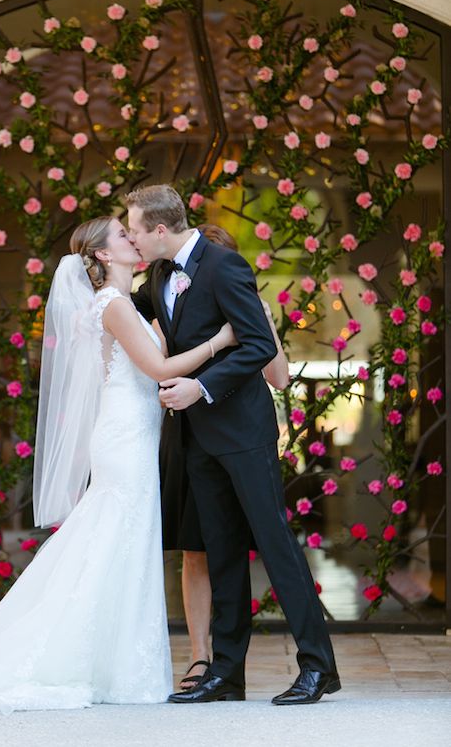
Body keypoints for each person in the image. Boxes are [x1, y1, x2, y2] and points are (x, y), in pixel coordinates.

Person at [0, 216, 237, 714]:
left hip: (136, 436)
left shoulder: (128, 305)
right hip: (122, 440)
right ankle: (90, 662)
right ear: (101, 255)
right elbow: (159, 370)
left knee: (121, 547)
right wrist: (221, 342)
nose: (132, 239)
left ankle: (117, 666)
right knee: (114, 542)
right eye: (122, 235)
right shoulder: (112, 306)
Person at [128, 185, 339, 705]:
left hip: (243, 433)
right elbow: (119, 307)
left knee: (275, 546)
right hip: (196, 436)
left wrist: (200, 386)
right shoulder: (157, 276)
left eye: (133, 229)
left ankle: (318, 666)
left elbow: (260, 346)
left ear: (159, 230)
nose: (131, 237)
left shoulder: (225, 267)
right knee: (221, 552)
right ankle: (227, 673)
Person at [157, 223, 289, 691]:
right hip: (191, 436)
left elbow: (281, 378)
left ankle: (227, 667)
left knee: (236, 549)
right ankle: (200, 657)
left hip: (238, 437)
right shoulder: (167, 293)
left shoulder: (242, 299)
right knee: (196, 548)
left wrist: (257, 321)